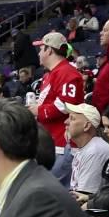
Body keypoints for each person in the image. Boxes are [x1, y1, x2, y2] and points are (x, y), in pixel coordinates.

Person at [28, 32, 84, 187]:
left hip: (62, 145)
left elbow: (66, 105)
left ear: (50, 50)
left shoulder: (67, 72)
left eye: (41, 49)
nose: (39, 53)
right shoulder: (50, 75)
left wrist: (38, 111)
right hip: (51, 144)